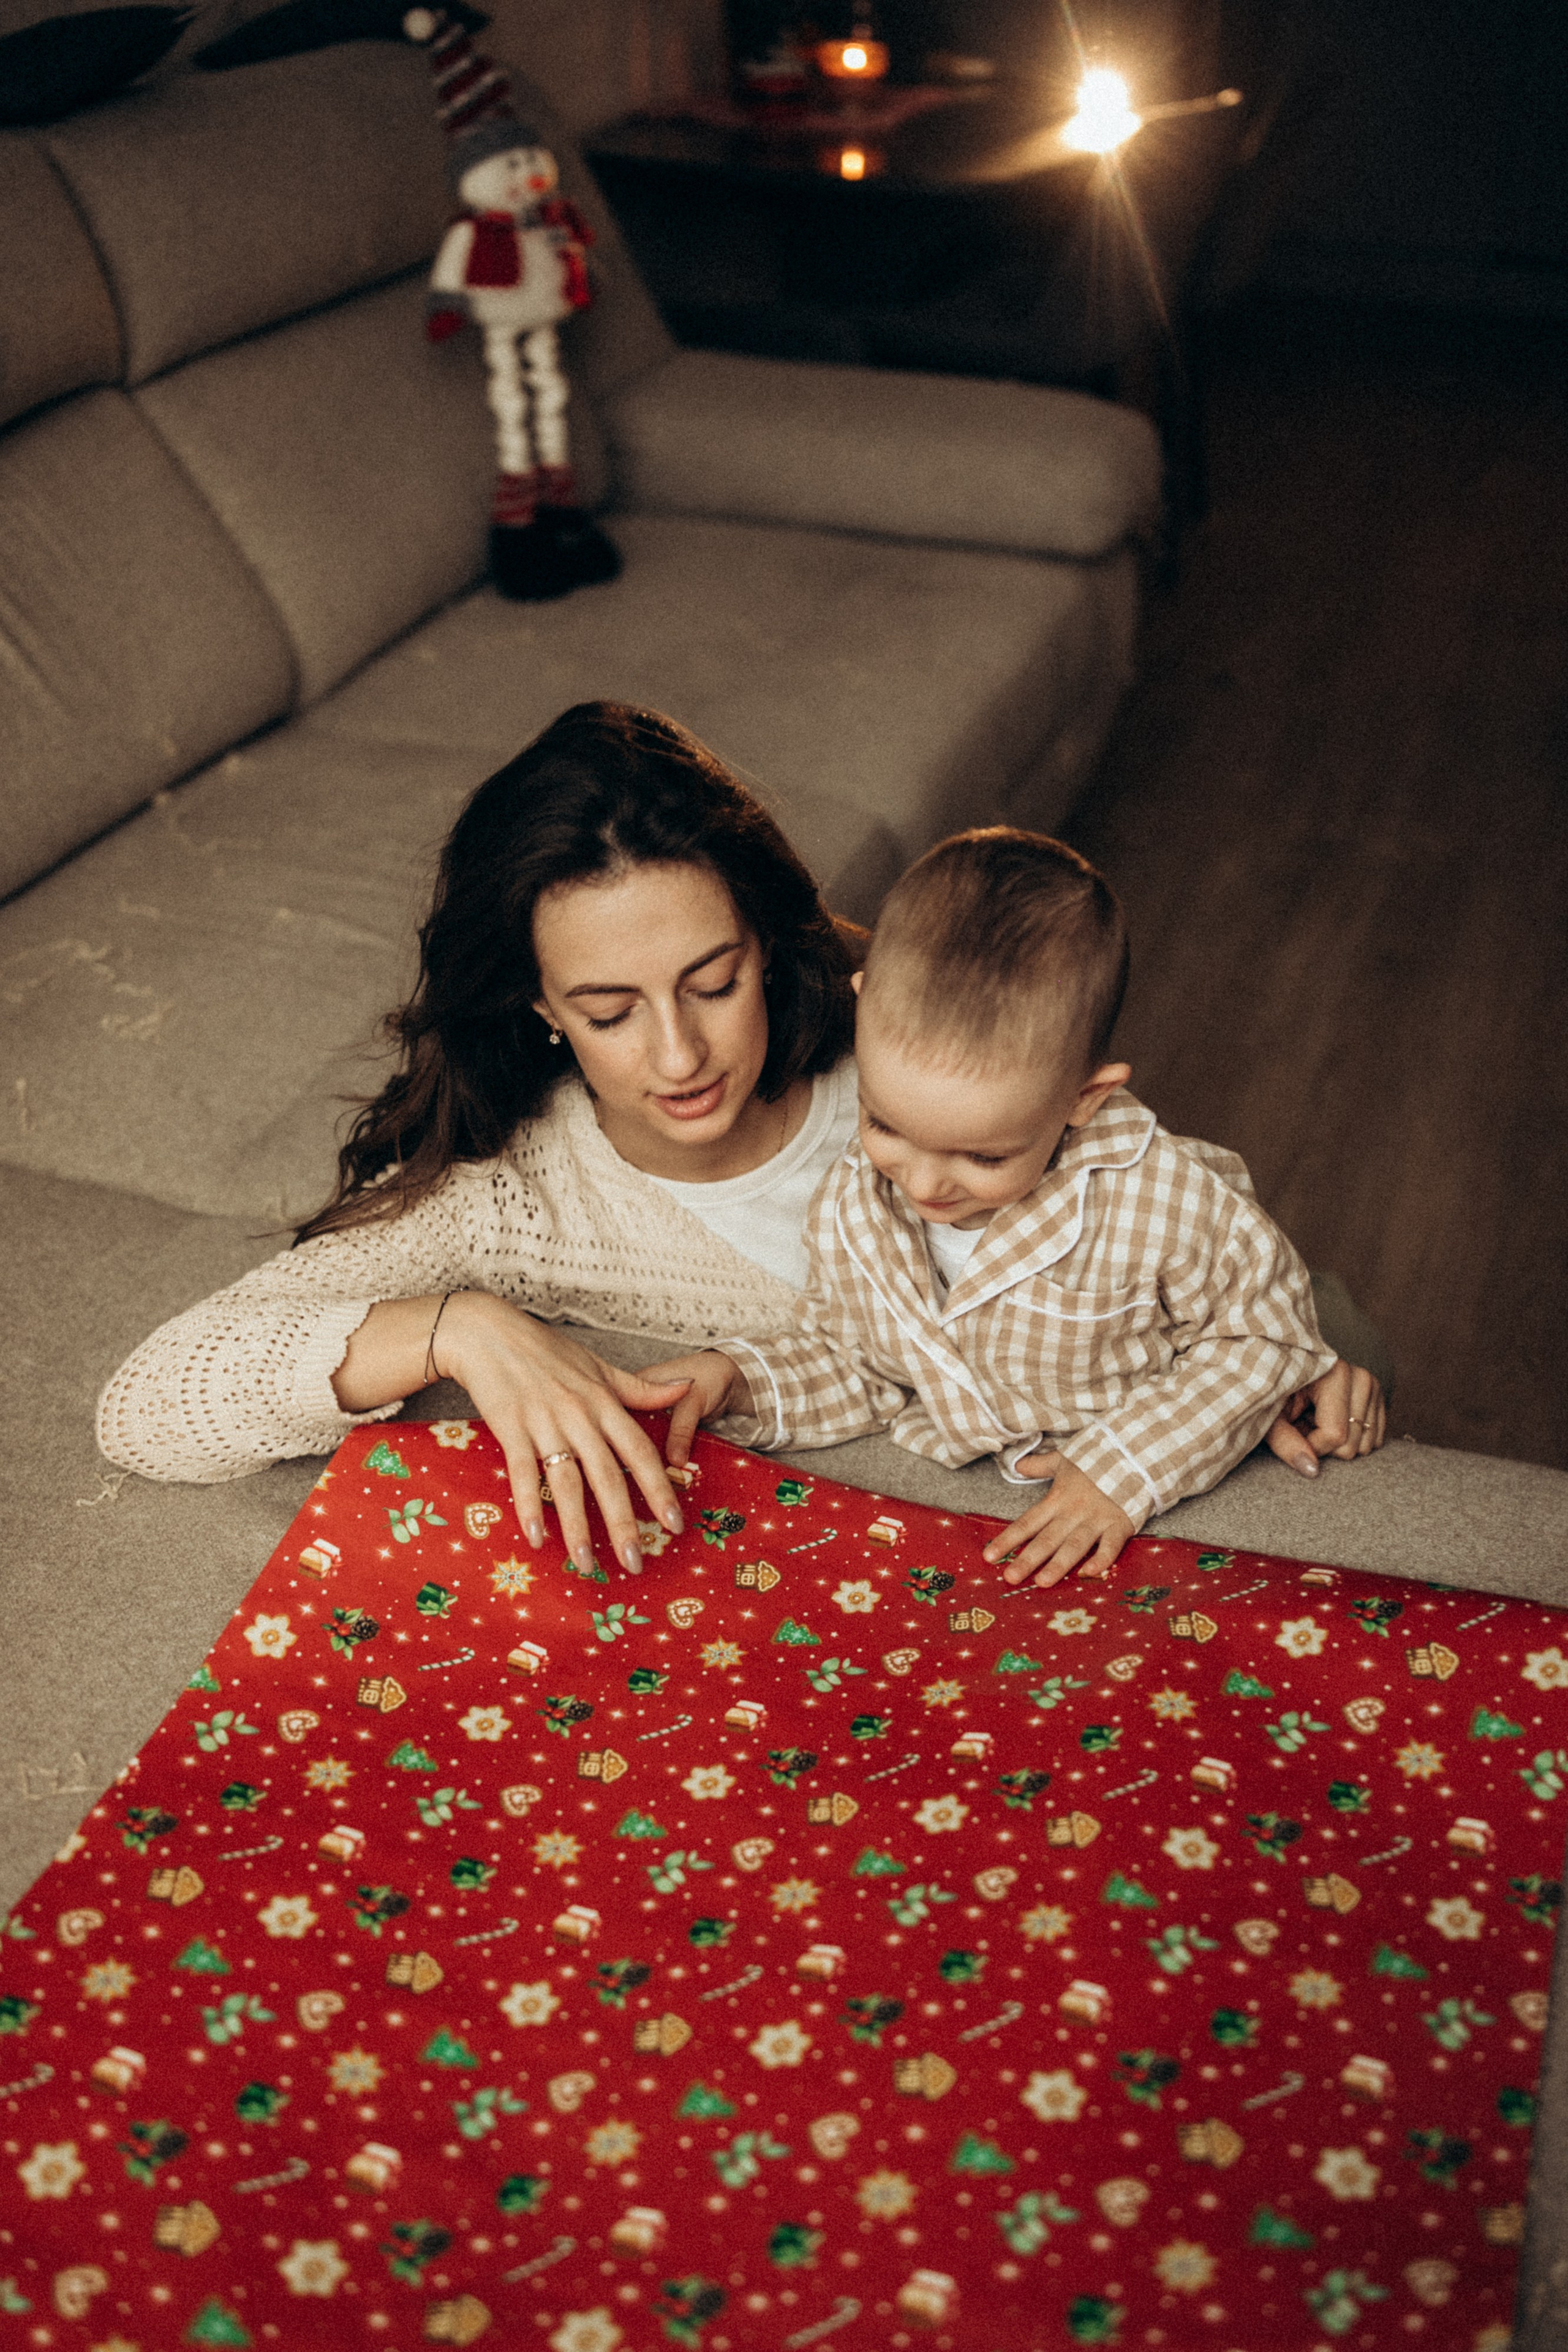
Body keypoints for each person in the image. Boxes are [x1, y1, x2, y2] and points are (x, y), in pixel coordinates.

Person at [97, 704, 1386, 1581]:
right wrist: (459, 1324)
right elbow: (148, 1409)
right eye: (607, 1012)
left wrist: (1293, 1359)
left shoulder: (893, 1022)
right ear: (540, 1010)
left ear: (771, 944)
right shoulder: (509, 1205)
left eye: (713, 980)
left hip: (1201, 1374)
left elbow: (1172, 1226)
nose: (680, 1056)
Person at [647, 827, 1356, 1587]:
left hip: (1153, 1498)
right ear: (862, 1018)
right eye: (885, 1124)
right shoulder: (854, 1204)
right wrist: (741, 1379)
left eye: (984, 1157)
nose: (923, 1185)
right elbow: (865, 1364)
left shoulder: (1165, 1201)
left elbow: (1270, 1340)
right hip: (990, 1524)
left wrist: (1123, 1468)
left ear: (1083, 1098)